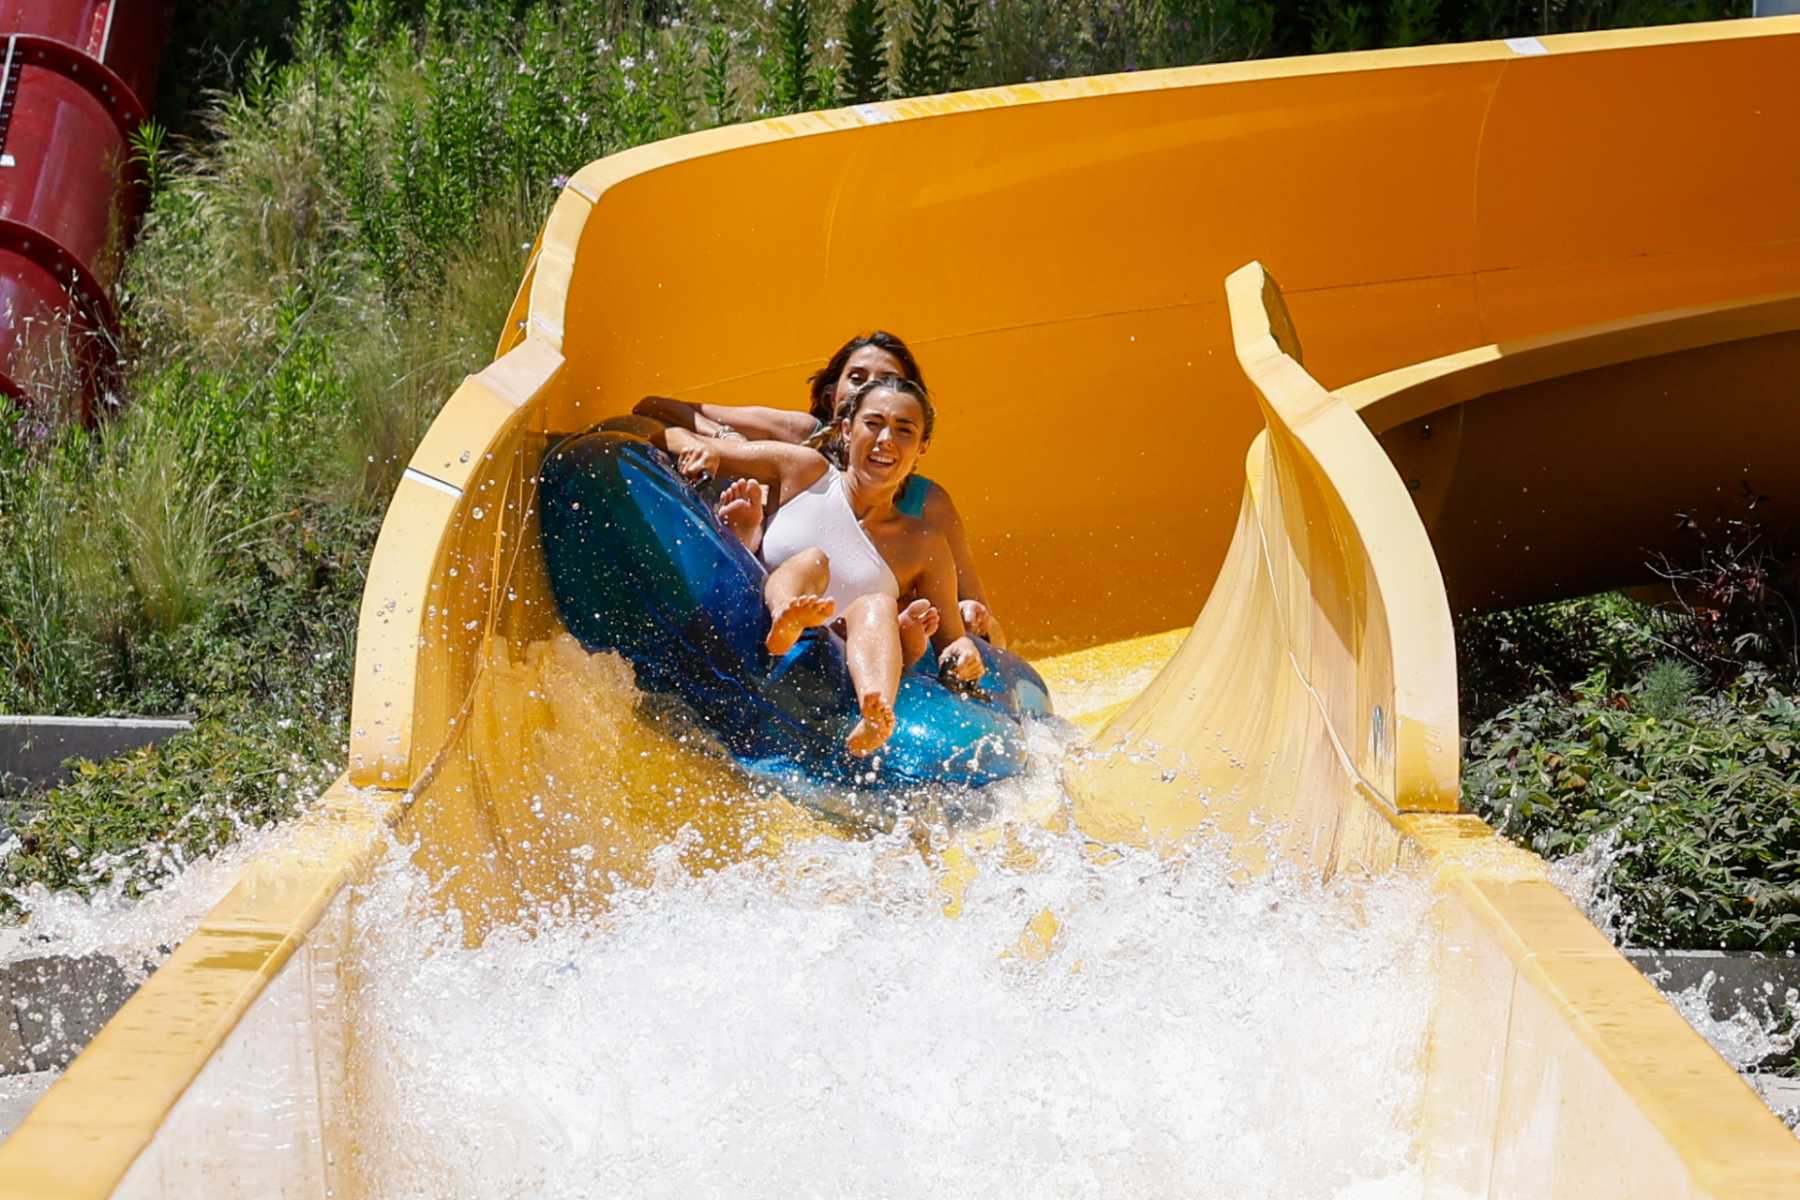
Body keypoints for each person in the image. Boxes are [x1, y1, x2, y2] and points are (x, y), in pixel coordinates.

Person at [656, 376, 983, 756]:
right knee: (813, 560)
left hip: (825, 679)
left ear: (922, 446)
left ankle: (874, 713)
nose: (885, 440)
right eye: (872, 424)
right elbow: (679, 436)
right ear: (846, 429)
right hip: (749, 630)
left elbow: (952, 638)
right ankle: (787, 617)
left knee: (877, 604)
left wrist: (964, 655)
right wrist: (698, 452)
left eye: (904, 430)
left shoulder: (922, 541)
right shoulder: (804, 470)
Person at [634, 332, 1006, 648]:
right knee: (801, 554)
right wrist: (720, 440)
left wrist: (970, 619)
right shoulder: (800, 449)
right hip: (769, 593)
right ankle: (746, 534)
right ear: (835, 400)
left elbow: (978, 617)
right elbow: (655, 410)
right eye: (858, 379)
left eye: (902, 424)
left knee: (879, 609)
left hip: (858, 632)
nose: (872, 390)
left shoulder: (927, 513)